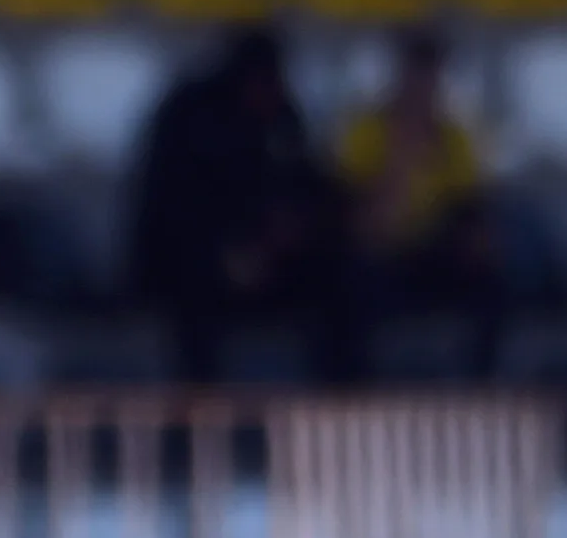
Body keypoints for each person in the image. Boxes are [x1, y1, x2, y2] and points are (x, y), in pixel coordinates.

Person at [132, 27, 355, 381]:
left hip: (272, 263)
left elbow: (309, 189)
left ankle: (339, 409)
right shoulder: (189, 117)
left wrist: (289, 234)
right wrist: (224, 257)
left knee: (343, 285)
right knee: (191, 309)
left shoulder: (283, 116)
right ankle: (196, 421)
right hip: (191, 266)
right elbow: (165, 212)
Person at [336, 28, 501, 376]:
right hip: (383, 257)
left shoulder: (455, 137)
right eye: (416, 76)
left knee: (492, 285)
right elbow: (361, 226)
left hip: (436, 254)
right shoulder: (366, 133)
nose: (423, 89)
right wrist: (401, 160)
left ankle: (483, 385)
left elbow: (471, 211)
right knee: (349, 284)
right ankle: (356, 388)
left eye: (431, 78)